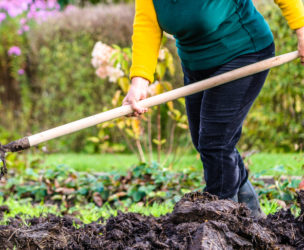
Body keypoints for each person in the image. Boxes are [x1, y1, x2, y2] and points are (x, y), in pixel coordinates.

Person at [122, 0, 304, 218]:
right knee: (207, 143)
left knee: (215, 143)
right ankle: (252, 215)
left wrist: (302, 29)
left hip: (244, 53)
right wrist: (139, 83)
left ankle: (222, 220)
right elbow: (147, 26)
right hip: (196, 65)